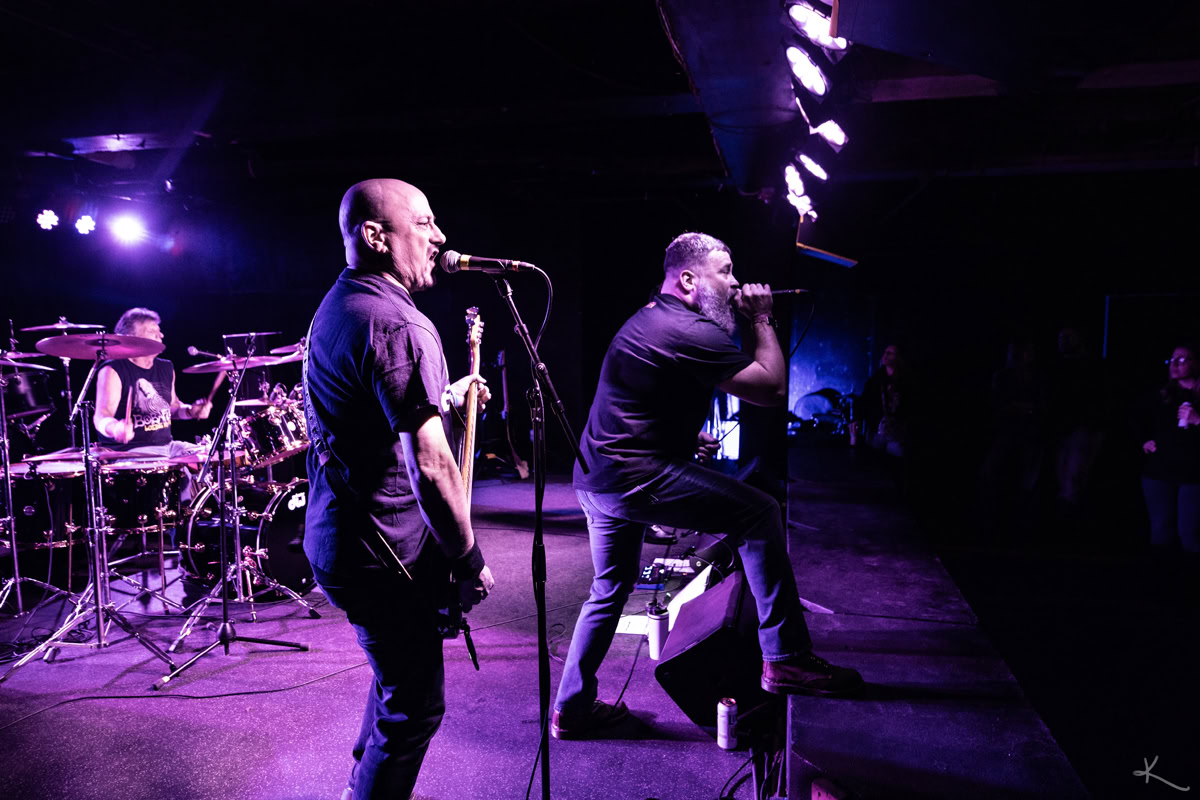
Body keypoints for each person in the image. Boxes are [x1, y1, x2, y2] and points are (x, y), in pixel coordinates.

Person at [552, 231, 862, 741]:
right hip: (632, 476)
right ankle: (785, 658)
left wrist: (681, 435)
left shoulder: (650, 317)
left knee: (608, 589)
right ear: (689, 279)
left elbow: (638, 399)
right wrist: (762, 318)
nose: (736, 283)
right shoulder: (686, 328)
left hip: (598, 476)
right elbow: (771, 388)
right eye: (725, 272)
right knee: (758, 512)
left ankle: (571, 708)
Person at [302, 178, 495, 800]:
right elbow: (431, 465)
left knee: (394, 683)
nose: (440, 236)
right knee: (414, 707)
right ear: (376, 236)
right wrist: (467, 559)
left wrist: (444, 400)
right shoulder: (397, 323)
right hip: (379, 554)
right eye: (424, 222)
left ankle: (358, 788)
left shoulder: (340, 305)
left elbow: (368, 415)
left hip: (342, 540)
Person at [92, 307, 213, 454]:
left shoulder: (166, 367)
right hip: (132, 451)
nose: (161, 335)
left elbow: (172, 407)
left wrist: (189, 411)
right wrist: (115, 428)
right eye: (151, 331)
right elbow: (101, 416)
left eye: (159, 331)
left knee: (208, 455)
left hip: (168, 446)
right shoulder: (113, 370)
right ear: (130, 337)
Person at [1138, 343, 1200, 555]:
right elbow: (1137, 418)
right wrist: (1144, 440)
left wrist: (1198, 420)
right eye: (1172, 360)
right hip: (1160, 471)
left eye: (1182, 360)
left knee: (1189, 535)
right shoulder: (1163, 394)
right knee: (1161, 534)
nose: (1174, 364)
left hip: (1193, 474)